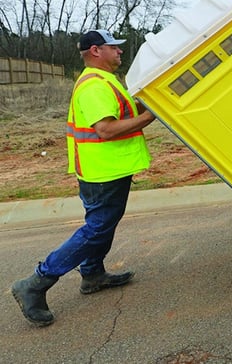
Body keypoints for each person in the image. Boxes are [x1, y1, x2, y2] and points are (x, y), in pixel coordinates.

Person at [11, 29, 155, 327]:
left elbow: (122, 112)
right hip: (102, 171)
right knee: (96, 230)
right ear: (95, 51)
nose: (119, 52)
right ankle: (35, 283)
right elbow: (106, 129)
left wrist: (146, 104)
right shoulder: (93, 86)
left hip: (108, 168)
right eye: (113, 47)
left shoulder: (107, 80)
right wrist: (150, 116)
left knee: (102, 225)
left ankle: (92, 274)